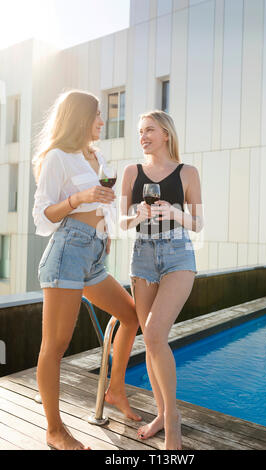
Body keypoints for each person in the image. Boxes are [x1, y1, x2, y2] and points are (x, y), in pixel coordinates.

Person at [32, 89, 141, 451]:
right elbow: (43, 215)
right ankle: (54, 430)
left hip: (94, 253)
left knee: (130, 315)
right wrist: (78, 199)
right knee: (56, 345)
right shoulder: (57, 158)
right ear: (80, 117)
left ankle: (116, 388)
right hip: (67, 250)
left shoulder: (96, 155)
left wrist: (107, 229)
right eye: (97, 114)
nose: (102, 120)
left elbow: (105, 199)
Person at [120, 110, 204, 450]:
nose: (143, 136)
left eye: (149, 130)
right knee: (151, 343)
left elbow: (197, 223)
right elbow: (119, 222)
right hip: (142, 257)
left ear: (166, 134)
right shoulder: (130, 172)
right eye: (140, 131)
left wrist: (174, 213)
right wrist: (135, 216)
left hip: (178, 255)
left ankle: (172, 420)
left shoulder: (188, 172)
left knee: (155, 334)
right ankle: (161, 412)